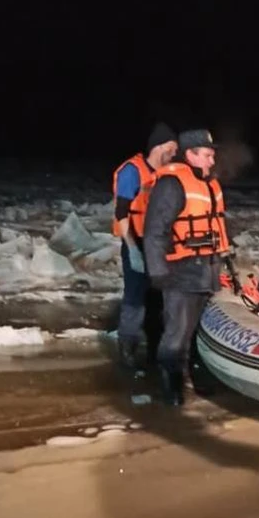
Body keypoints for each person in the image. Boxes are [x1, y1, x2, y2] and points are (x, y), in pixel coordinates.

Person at [143, 129, 229, 406]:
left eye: (212, 155)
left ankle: (192, 379)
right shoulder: (171, 183)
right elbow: (155, 230)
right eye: (207, 155)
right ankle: (172, 391)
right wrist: (157, 271)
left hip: (207, 270)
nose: (211, 161)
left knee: (195, 333)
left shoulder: (207, 183)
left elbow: (215, 224)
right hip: (180, 271)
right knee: (176, 334)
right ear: (190, 154)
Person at [111, 122, 178, 373]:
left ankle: (154, 353)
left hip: (159, 245)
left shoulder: (167, 172)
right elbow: (121, 213)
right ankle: (127, 351)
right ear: (159, 147)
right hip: (136, 242)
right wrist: (133, 249)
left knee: (158, 299)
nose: (174, 154)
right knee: (135, 299)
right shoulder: (132, 171)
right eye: (172, 149)